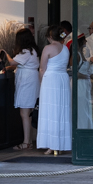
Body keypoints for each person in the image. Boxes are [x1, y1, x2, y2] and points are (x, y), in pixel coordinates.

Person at [0, 28, 39, 150]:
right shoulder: (32, 51)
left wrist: (5, 53)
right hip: (32, 80)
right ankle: (29, 140)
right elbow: (19, 64)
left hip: (27, 82)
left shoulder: (26, 52)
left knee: (24, 112)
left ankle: (26, 142)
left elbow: (12, 62)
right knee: (29, 112)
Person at [36, 25, 71, 154]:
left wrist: (41, 82)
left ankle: (52, 144)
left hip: (51, 79)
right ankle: (61, 143)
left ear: (50, 36)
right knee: (61, 110)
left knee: (50, 111)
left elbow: (42, 68)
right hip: (63, 78)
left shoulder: (48, 48)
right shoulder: (65, 48)